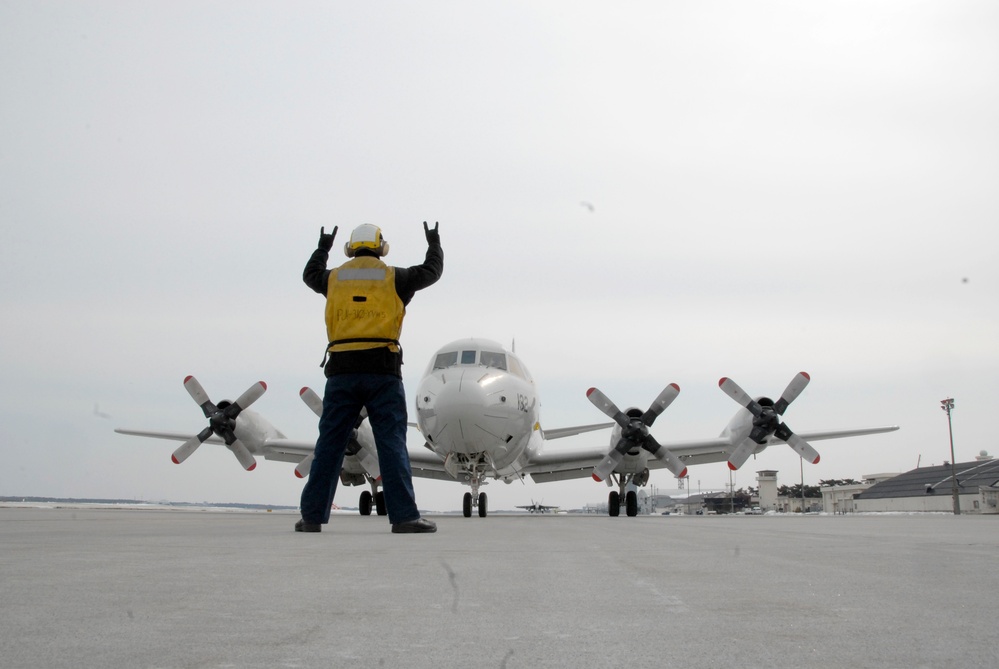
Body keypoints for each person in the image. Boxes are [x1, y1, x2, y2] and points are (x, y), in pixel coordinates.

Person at [296, 221, 443, 534]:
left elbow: (310, 275)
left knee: (330, 445)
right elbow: (432, 271)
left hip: (341, 372)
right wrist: (433, 242)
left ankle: (311, 517)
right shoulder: (395, 277)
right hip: (382, 371)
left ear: (350, 248)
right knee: (391, 444)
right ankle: (404, 517)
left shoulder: (333, 278)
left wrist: (323, 248)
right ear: (381, 248)